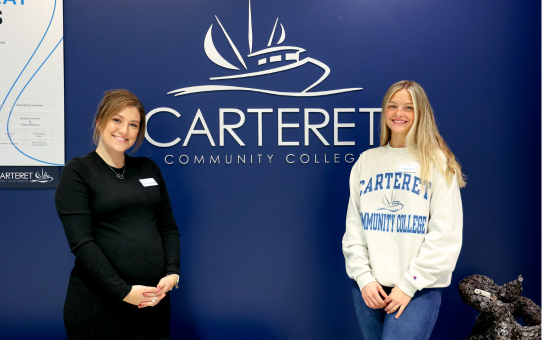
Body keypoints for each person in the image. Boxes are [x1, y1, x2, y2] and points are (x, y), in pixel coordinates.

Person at [342, 80, 466, 340]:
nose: (399, 114)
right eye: (393, 106)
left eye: (408, 107)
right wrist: (364, 279)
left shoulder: (437, 162)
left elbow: (446, 235)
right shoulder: (367, 161)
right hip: (369, 289)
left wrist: (409, 284)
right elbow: (354, 230)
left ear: (421, 113)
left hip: (416, 289)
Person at [55, 90, 181, 339]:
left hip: (152, 303)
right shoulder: (78, 171)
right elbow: (82, 243)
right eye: (117, 120)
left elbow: (167, 227)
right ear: (100, 121)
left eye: (133, 124)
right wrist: (123, 291)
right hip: (100, 307)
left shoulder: (148, 168)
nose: (124, 130)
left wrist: (172, 273)